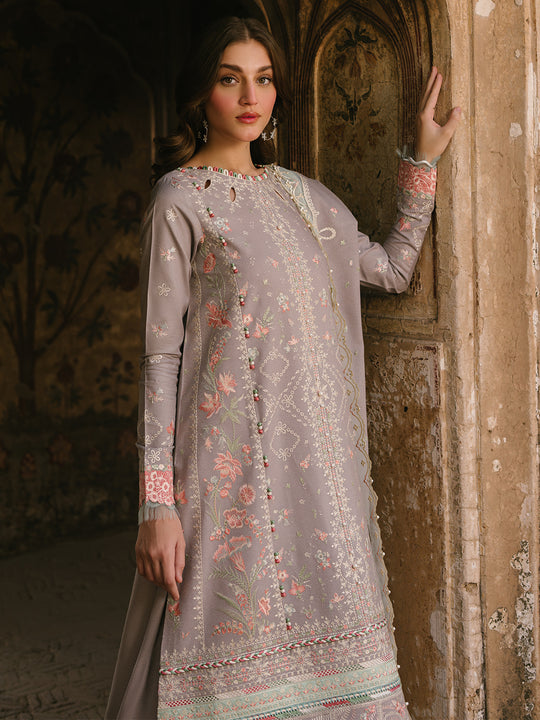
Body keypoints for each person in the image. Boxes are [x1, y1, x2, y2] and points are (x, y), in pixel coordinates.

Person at [106, 15, 461, 720]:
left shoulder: (306, 198)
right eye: (230, 78)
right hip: (226, 477)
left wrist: (421, 161)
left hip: (321, 484)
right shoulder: (180, 199)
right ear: (201, 93)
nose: (250, 97)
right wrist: (156, 505)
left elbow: (392, 270)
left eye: (263, 79)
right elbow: (160, 361)